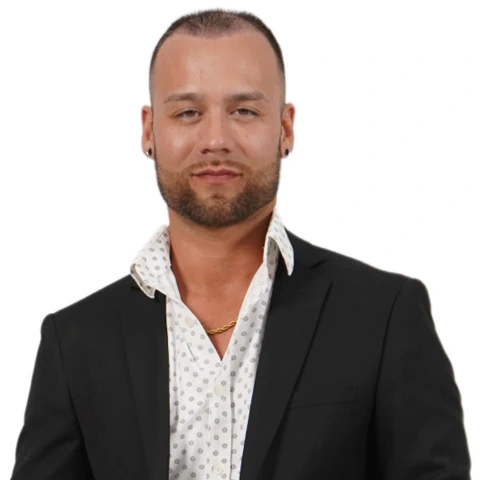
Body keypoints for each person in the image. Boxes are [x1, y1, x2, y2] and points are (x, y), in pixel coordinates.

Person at [10, 8, 471, 480]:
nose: (215, 139)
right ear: (149, 131)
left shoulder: (384, 317)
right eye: (188, 113)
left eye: (244, 111)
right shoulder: (75, 343)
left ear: (285, 129)